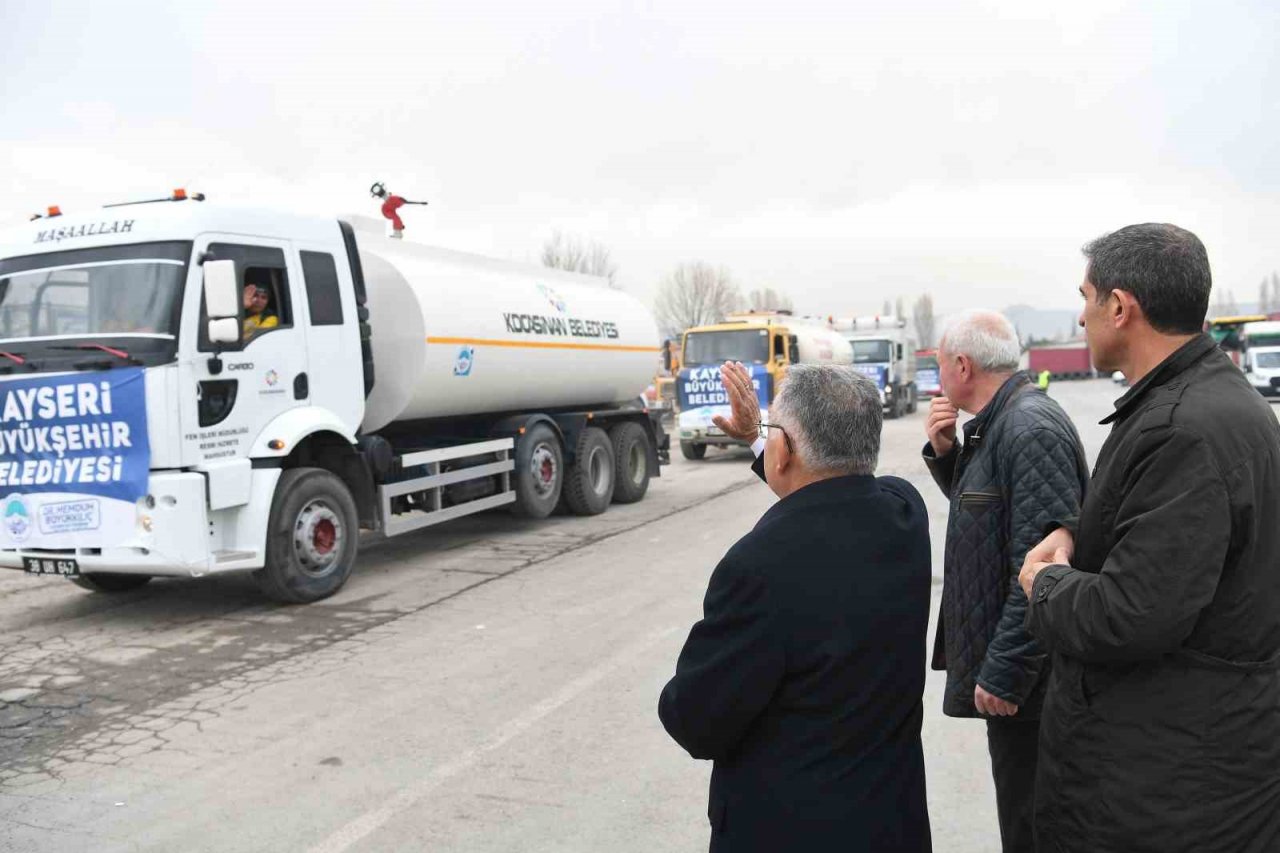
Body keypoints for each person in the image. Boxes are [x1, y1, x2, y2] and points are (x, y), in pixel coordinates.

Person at [1019, 223, 1280, 852]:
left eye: (1086, 299)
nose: (1081, 319)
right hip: (1197, 762)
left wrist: (1044, 583)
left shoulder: (1182, 428)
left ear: (1119, 306)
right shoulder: (1208, 402)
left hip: (1169, 791)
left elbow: (1131, 616)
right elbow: (1177, 532)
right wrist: (1075, 534)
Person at [661, 363, 933, 853]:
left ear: (783, 449)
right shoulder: (905, 513)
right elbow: (831, 492)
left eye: (771, 435)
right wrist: (758, 437)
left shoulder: (759, 566)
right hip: (892, 824)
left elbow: (697, 722)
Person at [922, 311, 1088, 853]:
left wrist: (1006, 671)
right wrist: (947, 454)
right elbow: (990, 522)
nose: (938, 378)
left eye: (940, 365)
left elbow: (1042, 569)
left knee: (1034, 826)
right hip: (1025, 685)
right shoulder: (1000, 423)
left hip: (1032, 691)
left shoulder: (1028, 429)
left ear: (963, 366)